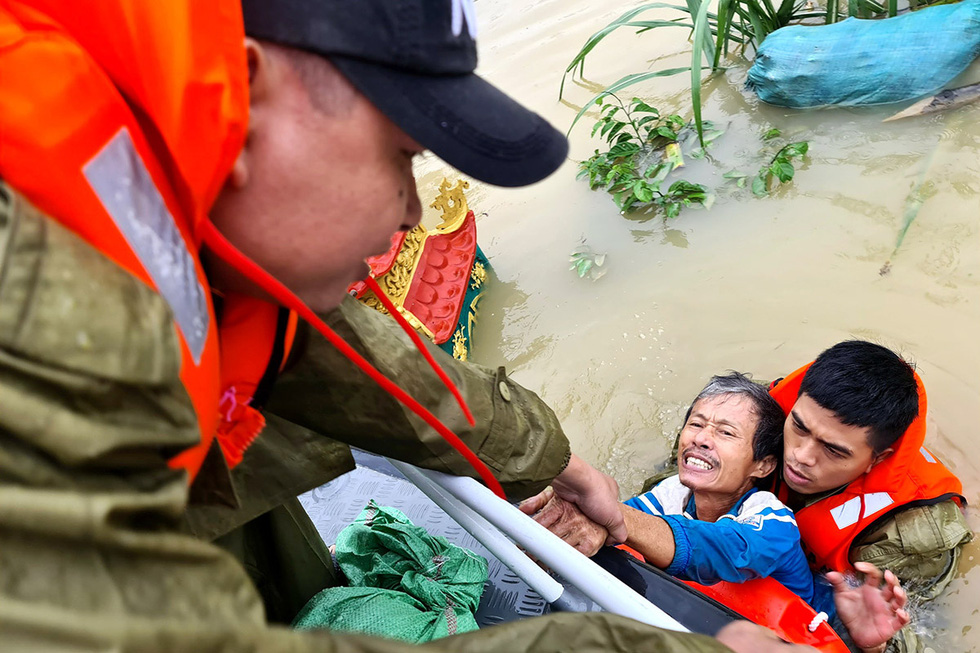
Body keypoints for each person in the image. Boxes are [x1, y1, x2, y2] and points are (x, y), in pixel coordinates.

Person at [0, 1, 813, 651]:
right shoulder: (39, 294)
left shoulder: (183, 199)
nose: (413, 212)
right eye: (403, 157)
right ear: (248, 95)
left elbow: (340, 355)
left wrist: (554, 460)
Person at [527, 341, 971, 653]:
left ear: (879, 458)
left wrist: (867, 644)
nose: (799, 457)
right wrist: (592, 519)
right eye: (798, 428)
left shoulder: (915, 533)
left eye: (833, 451)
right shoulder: (763, 415)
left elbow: (914, 628)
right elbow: (682, 484)